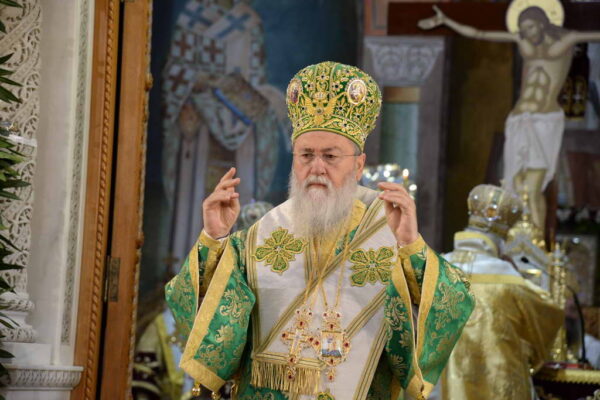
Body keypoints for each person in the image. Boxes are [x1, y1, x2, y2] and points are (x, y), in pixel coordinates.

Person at [165, 61, 474, 400]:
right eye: (306, 155)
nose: (316, 168)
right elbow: (207, 321)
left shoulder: (389, 232)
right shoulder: (259, 238)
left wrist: (411, 246)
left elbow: (452, 304)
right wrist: (215, 239)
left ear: (358, 165)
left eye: (330, 156)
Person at [418, 2, 600, 231]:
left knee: (533, 187)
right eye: (523, 29)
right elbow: (479, 33)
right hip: (518, 119)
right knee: (514, 184)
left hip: (544, 120)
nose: (527, 33)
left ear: (543, 23)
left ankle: (536, 243)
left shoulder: (566, 39)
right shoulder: (523, 42)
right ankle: (516, 239)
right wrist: (446, 21)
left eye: (531, 27)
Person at [437, 184, 563, 399]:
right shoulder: (509, 280)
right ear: (500, 241)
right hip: (496, 383)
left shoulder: (436, 270)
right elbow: (549, 315)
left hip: (444, 385)